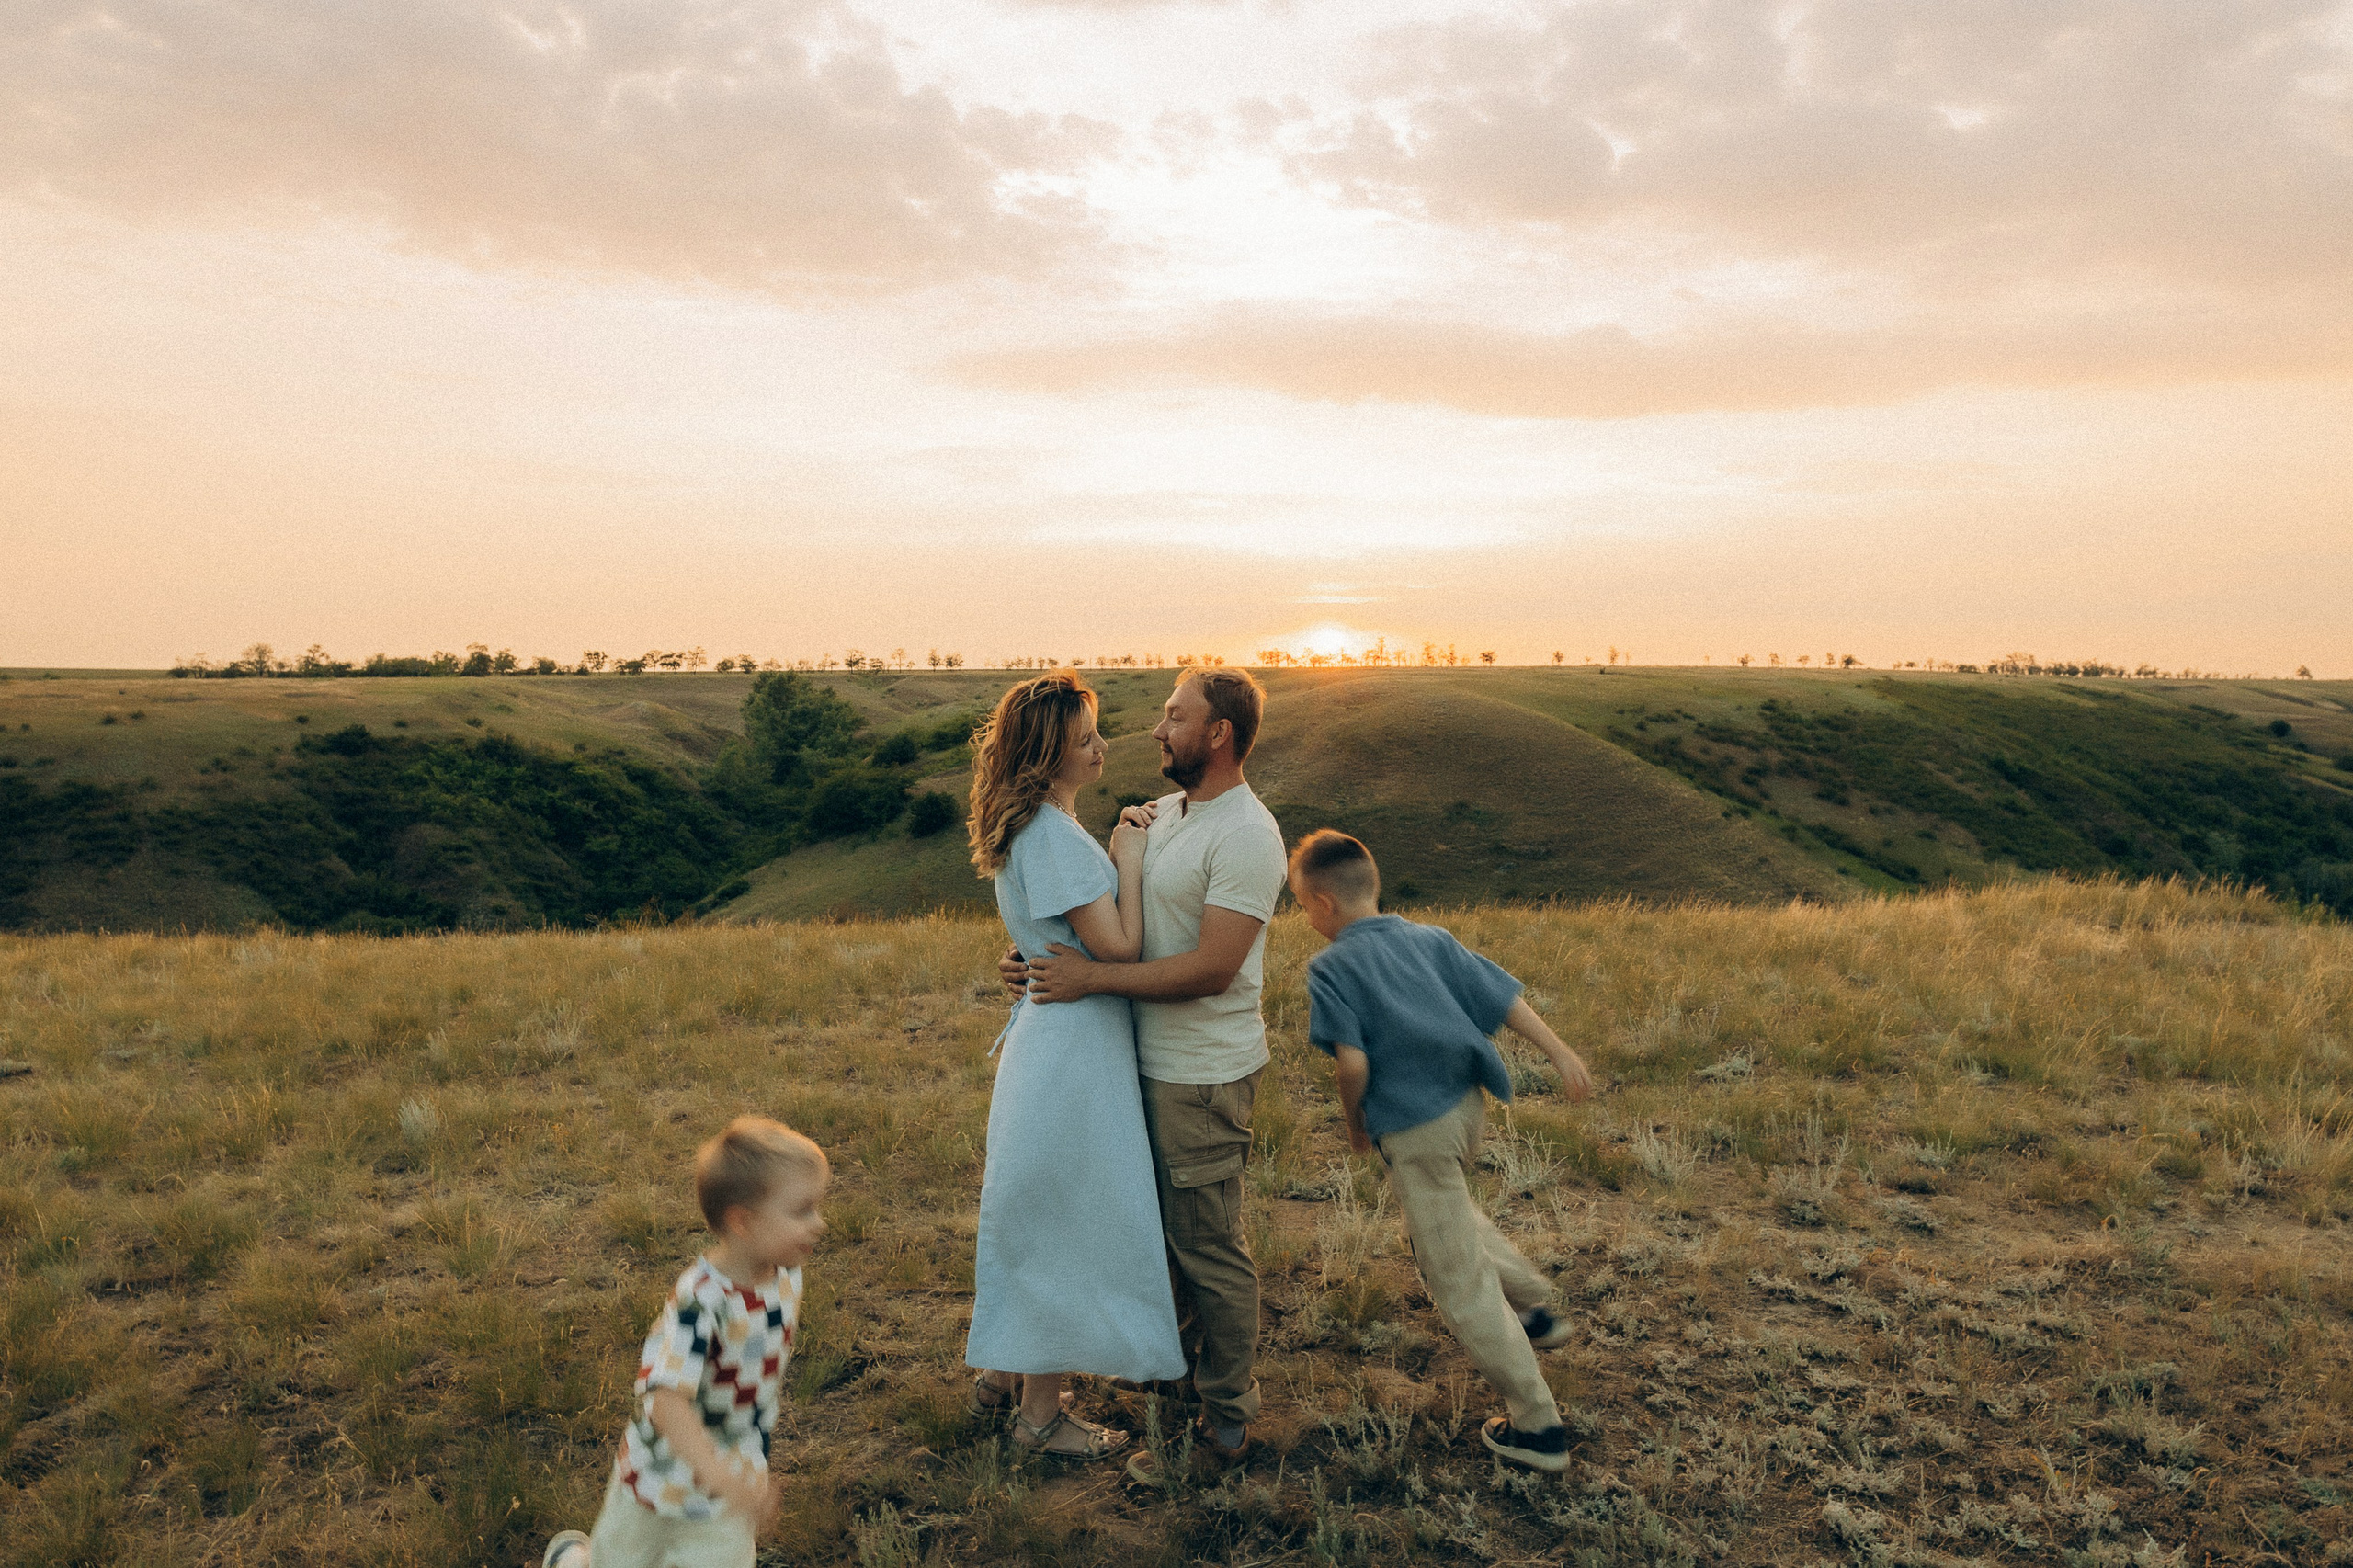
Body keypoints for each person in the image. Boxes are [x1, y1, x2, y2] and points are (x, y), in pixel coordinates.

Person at [1016, 666, 1288, 1472]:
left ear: (1220, 735)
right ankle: (1184, 1384)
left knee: (1209, 1247)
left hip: (1201, 1074)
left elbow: (1211, 969)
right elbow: (1110, 926)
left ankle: (1227, 1423)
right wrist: (1036, 964)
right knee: (1159, 1242)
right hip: (1138, 1064)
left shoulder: (1246, 835)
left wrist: (1092, 979)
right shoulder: (1161, 815)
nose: (1156, 731)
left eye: (1175, 718)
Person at [1286, 829, 1597, 1473]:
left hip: (1414, 1128)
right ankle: (1534, 1307)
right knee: (1450, 1215)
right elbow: (1503, 999)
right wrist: (1560, 1053)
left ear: (1321, 905)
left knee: (1454, 1279)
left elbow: (1351, 1064)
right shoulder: (1427, 937)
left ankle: (1538, 1429)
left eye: (1299, 904)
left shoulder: (1332, 966)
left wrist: (1354, 1126)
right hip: (1464, 1110)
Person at [962, 671, 1186, 1460]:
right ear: (1051, 754)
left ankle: (1002, 1376)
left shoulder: (1032, 827)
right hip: (1072, 1049)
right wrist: (1128, 853)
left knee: (1041, 1208)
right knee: (1064, 1219)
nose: (1102, 747)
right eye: (1087, 739)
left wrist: (1021, 957)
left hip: (1053, 1036)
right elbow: (1116, 948)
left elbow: (1043, 934)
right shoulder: (1055, 835)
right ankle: (1039, 1419)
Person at [541, 1117, 828, 1568]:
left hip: (733, 1475)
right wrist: (715, 1473)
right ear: (744, 1222)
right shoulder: (701, 1300)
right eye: (802, 1210)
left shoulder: (786, 1276)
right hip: (662, 1473)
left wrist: (731, 1480)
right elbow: (665, 1396)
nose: (819, 1223)